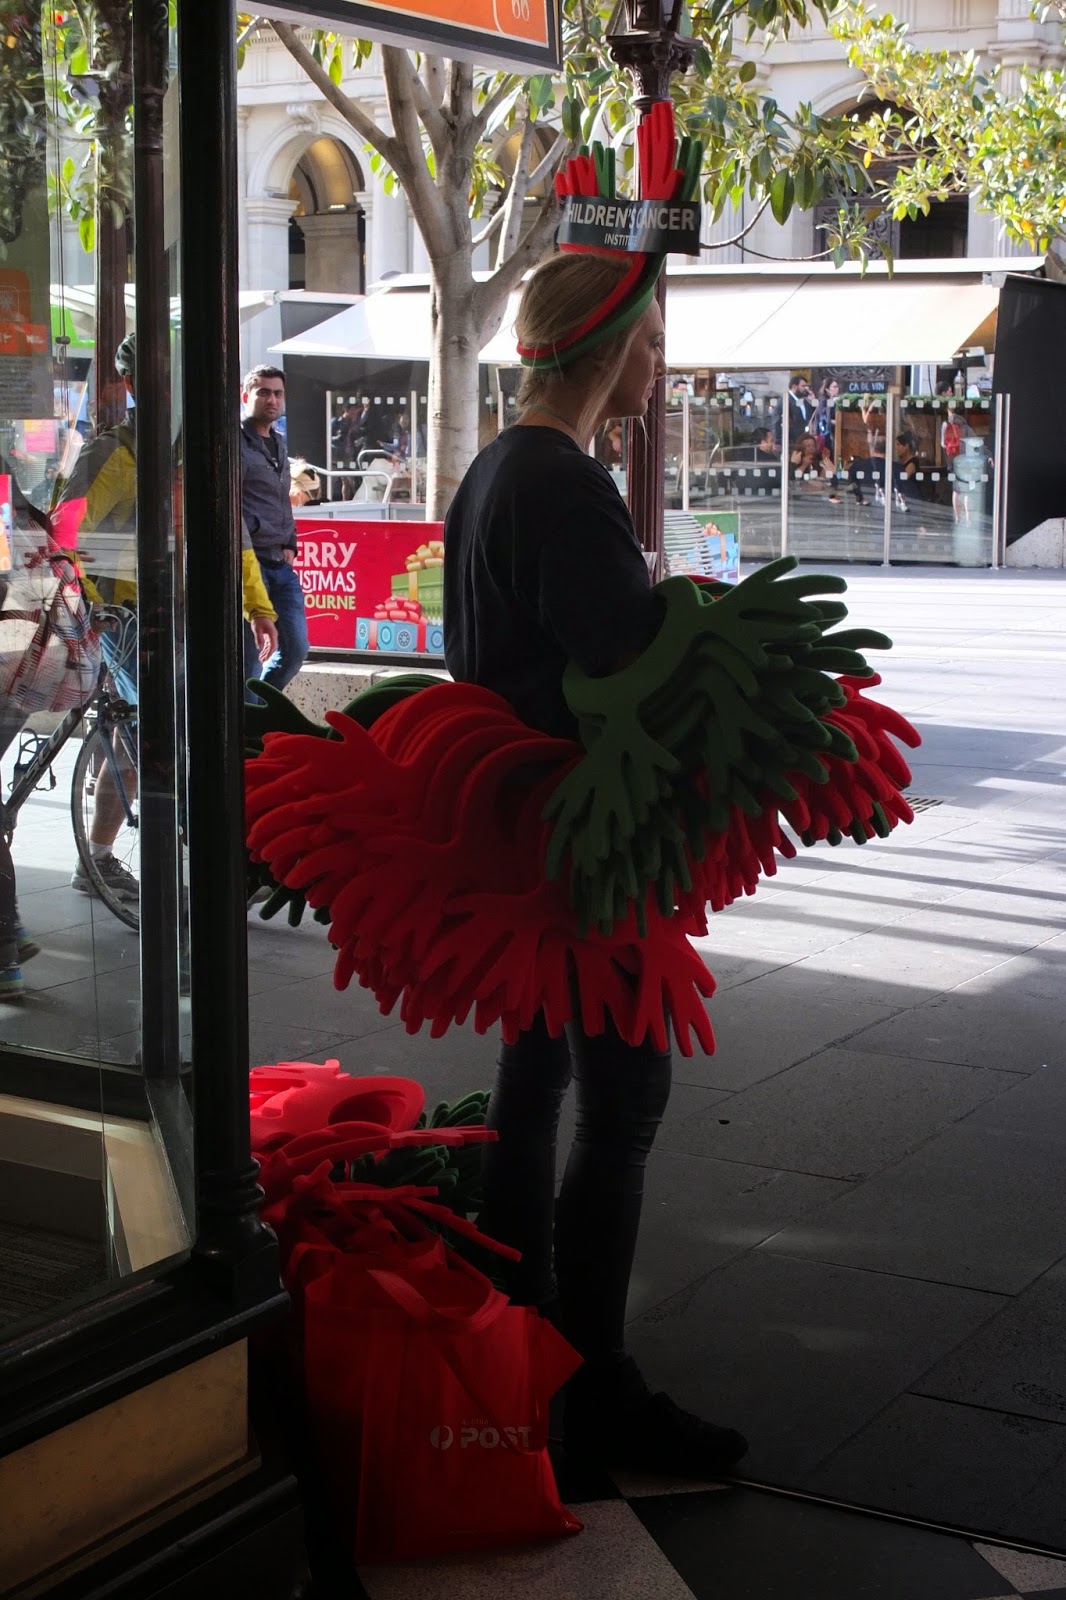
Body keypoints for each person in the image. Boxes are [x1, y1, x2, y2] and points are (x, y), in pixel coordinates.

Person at [443, 249, 748, 1479]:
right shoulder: (564, 484)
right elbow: (624, 661)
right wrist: (680, 610)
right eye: (653, 341)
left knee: (533, 1077)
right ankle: (597, 1383)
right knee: (623, 1102)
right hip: (586, 839)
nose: (661, 363)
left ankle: (518, 1338)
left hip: (520, 828)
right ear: (607, 346)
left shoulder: (494, 469)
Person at [55, 336, 278, 900]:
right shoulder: (117, 453)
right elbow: (64, 533)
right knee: (167, 735)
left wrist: (257, 605)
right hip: (129, 616)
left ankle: (98, 859)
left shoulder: (196, 454)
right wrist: (93, 608)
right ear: (133, 385)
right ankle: (209, 861)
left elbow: (233, 537)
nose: (179, 394)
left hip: (183, 612)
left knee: (141, 740)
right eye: (167, 381)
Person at [240, 365, 308, 695]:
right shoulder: (235, 444)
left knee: (295, 650)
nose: (272, 400)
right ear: (246, 397)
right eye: (264, 392)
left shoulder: (278, 443)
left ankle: (259, 709)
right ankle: (247, 716)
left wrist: (291, 541)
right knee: (250, 660)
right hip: (249, 563)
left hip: (280, 564)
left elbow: (281, 499)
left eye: (278, 394)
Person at [786, 374, 812, 441]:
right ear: (794, 387)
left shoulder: (802, 400)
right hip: (791, 439)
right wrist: (778, 441)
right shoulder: (786, 400)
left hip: (803, 438)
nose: (805, 388)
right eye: (803, 386)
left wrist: (812, 400)